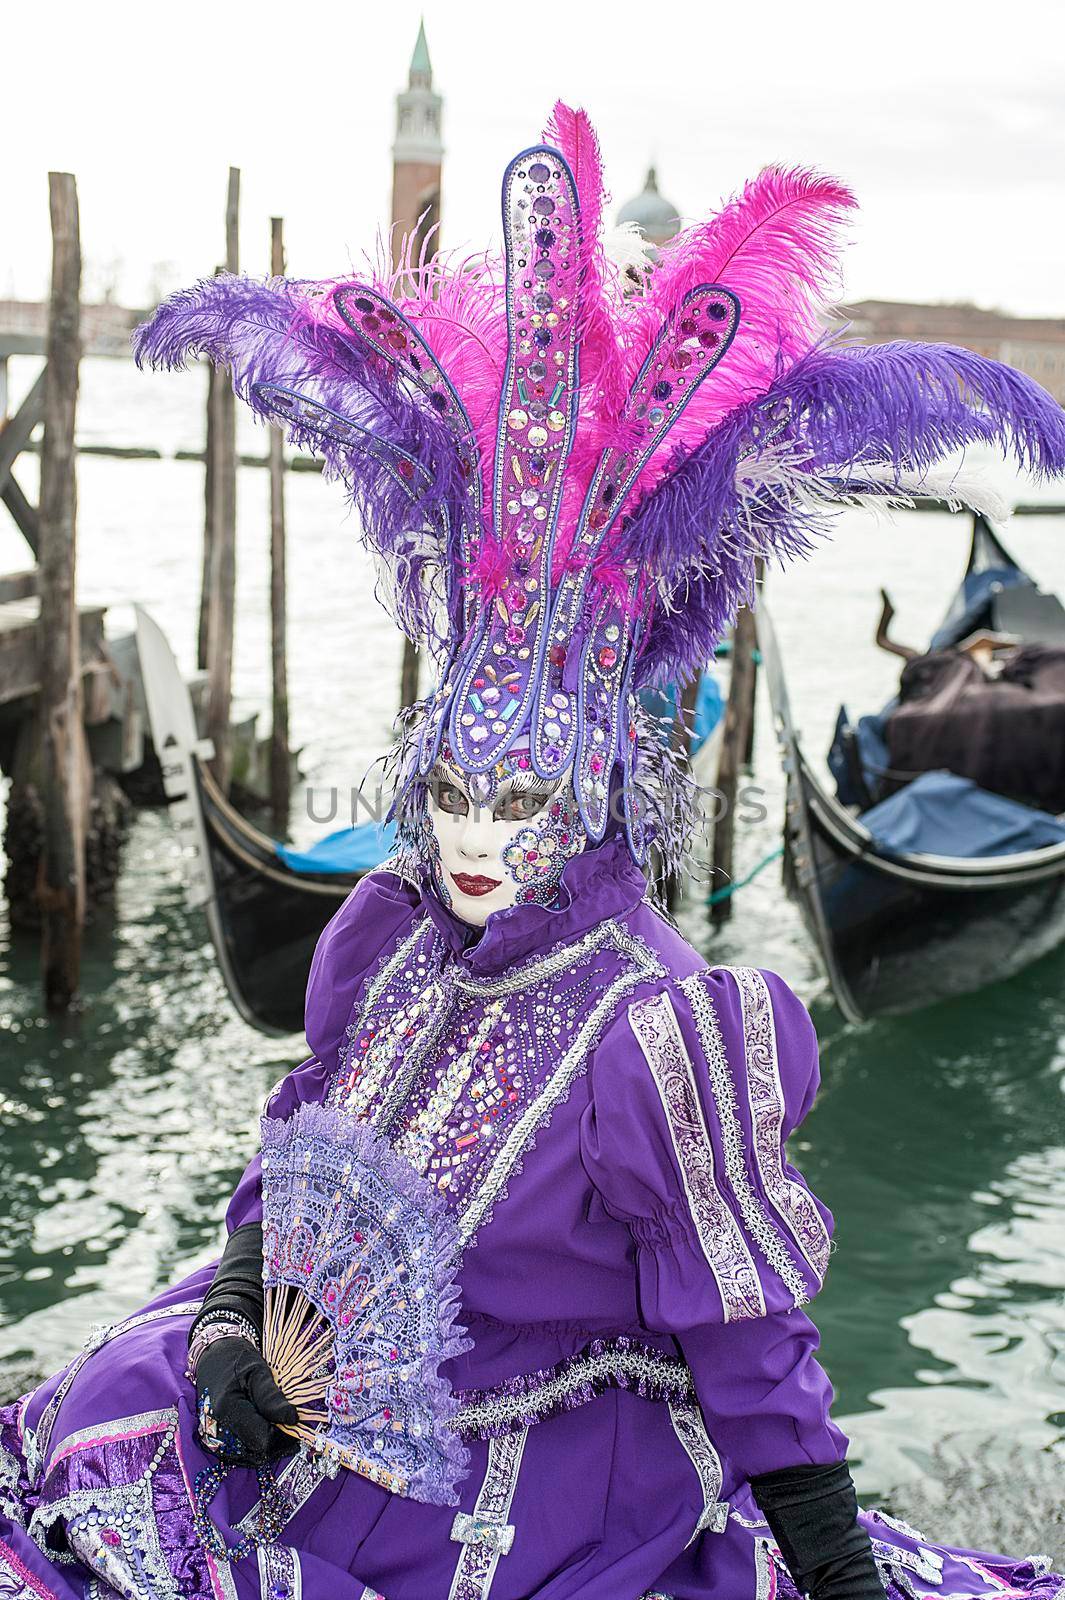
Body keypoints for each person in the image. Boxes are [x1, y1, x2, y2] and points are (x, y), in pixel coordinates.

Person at [3, 104, 1064, 1600]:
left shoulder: (662, 1027)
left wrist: (831, 1567)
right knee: (105, 1424)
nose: (470, 840)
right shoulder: (386, 932)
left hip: (522, 1485)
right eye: (448, 794)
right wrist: (241, 1315)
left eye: (519, 806)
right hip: (308, 1420)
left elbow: (749, 1339)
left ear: (602, 792)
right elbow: (293, 1151)